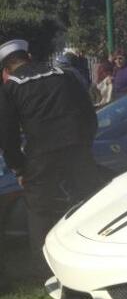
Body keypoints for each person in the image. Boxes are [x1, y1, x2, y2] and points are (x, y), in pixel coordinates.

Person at [0, 39, 102, 266]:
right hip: (77, 147)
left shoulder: (12, 86)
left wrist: (18, 167)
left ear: (6, 69)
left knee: (40, 210)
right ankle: (94, 252)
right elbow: (87, 110)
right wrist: (85, 141)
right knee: (90, 200)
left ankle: (45, 267)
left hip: (41, 154)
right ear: (29, 57)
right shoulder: (63, 74)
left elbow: (7, 134)